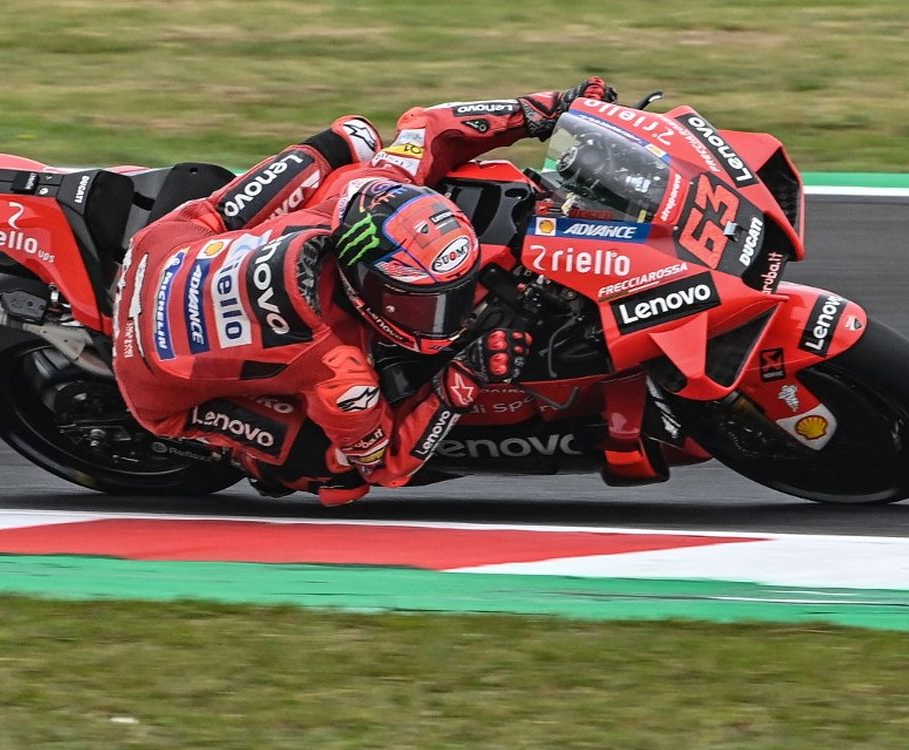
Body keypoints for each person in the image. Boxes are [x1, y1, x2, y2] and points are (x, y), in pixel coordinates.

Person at [113, 77, 617, 505]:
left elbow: (431, 127)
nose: (449, 314)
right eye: (422, 303)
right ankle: (253, 460)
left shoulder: (368, 185)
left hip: (172, 240)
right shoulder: (342, 373)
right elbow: (388, 465)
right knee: (337, 472)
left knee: (353, 138)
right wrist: (465, 374)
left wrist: (547, 110)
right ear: (365, 289)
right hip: (151, 378)